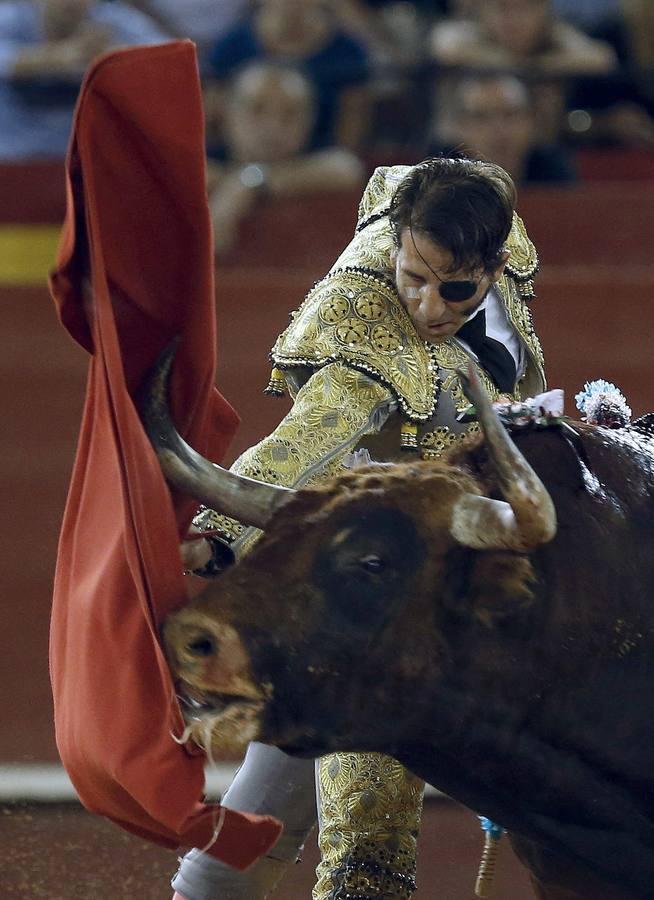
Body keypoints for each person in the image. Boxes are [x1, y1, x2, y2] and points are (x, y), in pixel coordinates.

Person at [172, 156, 546, 900]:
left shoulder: (494, 233)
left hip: (440, 584)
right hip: (362, 601)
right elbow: (301, 441)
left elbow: (441, 175)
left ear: (495, 267)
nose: (427, 304)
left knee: (272, 798)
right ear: (398, 244)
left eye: (455, 289)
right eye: (412, 275)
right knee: (364, 845)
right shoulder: (363, 328)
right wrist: (216, 535)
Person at [203, 61, 365, 258]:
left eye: (290, 114)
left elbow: (347, 168)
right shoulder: (197, 163)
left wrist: (250, 181)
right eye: (257, 109)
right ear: (226, 112)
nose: (273, 127)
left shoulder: (325, 164)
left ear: (310, 120)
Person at [0, 0, 167, 159]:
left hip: (85, 162)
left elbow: (169, 62)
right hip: (13, 160)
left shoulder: (111, 20)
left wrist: (113, 56)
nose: (70, 2)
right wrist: (57, 58)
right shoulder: (11, 19)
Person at [205, 0, 371, 152]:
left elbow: (347, 147)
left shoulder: (348, 54)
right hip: (234, 162)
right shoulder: (229, 49)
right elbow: (209, 128)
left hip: (312, 164)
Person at [428, 71, 576, 184]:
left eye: (510, 115)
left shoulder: (555, 174)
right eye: (481, 117)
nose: (498, 130)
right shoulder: (437, 179)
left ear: (532, 122)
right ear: (459, 126)